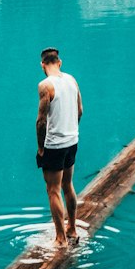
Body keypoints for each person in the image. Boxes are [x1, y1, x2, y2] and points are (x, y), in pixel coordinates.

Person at [36, 47, 83, 248]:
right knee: (68, 185)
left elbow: (41, 121)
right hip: (72, 141)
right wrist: (70, 130)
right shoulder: (72, 80)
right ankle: (72, 228)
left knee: (53, 189)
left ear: (42, 65)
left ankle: (61, 239)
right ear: (60, 62)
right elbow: (80, 110)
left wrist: (40, 148)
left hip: (54, 145)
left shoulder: (45, 85)